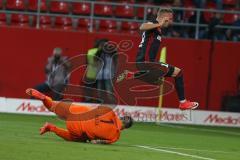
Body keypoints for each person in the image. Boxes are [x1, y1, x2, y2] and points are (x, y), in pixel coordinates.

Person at [135, 7, 198, 110]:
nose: (171, 21)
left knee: (176, 73)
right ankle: (183, 103)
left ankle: (137, 75)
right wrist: (159, 24)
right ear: (164, 18)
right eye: (170, 18)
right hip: (146, 62)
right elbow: (142, 26)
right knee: (178, 73)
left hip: (148, 63)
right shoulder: (154, 24)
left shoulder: (158, 29)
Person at [25, 88, 133, 144]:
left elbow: (96, 109)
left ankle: (44, 98)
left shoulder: (110, 111)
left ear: (122, 117)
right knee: (79, 139)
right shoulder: (115, 136)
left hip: (78, 111)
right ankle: (51, 128)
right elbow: (96, 142)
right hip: (77, 128)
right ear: (125, 128)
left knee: (53, 106)